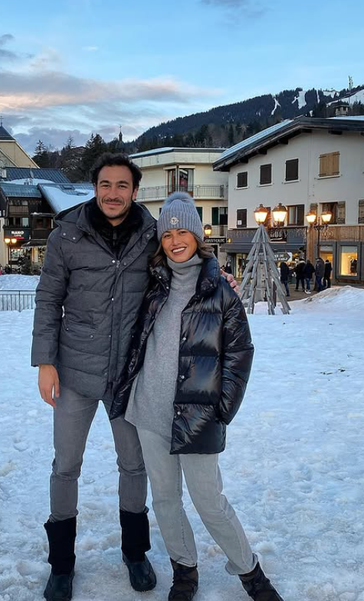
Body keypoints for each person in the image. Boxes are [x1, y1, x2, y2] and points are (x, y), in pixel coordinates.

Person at [31, 154, 237, 601]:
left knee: (134, 465)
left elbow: (185, 263)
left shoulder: (150, 234)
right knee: (65, 467)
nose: (112, 193)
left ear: (134, 190)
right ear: (95, 186)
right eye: (105, 184)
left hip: (129, 375)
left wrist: (217, 280)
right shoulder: (68, 232)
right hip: (74, 372)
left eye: (121, 185)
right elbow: (48, 298)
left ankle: (135, 552)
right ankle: (61, 565)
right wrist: (45, 361)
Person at [111, 193, 284, 601]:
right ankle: (184, 571)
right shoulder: (152, 284)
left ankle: (250, 573)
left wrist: (223, 407)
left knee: (210, 502)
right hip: (149, 410)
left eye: (182, 231)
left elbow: (240, 353)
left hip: (198, 415)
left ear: (197, 234)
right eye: (167, 233)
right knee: (166, 500)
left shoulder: (220, 292)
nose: (174, 241)